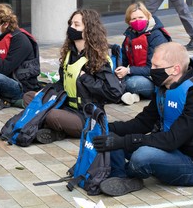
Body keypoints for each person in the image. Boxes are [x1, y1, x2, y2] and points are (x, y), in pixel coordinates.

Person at [93, 42, 193, 197]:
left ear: (175, 69)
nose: (151, 70)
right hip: (167, 148)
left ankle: (126, 173)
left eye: (156, 65)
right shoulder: (165, 85)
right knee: (111, 137)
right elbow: (142, 123)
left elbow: (172, 140)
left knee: (142, 156)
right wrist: (106, 127)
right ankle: (121, 176)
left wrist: (124, 142)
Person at [23, 9, 124, 144]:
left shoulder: (99, 58)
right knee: (30, 97)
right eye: (71, 24)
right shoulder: (70, 54)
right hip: (65, 105)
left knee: (51, 115)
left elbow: (114, 92)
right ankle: (55, 131)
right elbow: (62, 83)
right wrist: (44, 91)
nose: (71, 28)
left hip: (85, 115)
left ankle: (54, 129)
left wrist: (85, 78)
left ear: (88, 30)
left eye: (76, 25)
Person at [116, 2, 171, 105]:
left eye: (141, 17)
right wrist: (117, 71)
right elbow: (123, 59)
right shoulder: (130, 35)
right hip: (137, 73)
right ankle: (135, 96)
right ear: (129, 21)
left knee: (132, 83)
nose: (137, 21)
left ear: (147, 17)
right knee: (114, 79)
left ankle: (131, 92)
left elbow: (153, 69)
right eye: (133, 19)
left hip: (155, 80)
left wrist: (128, 70)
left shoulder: (156, 36)